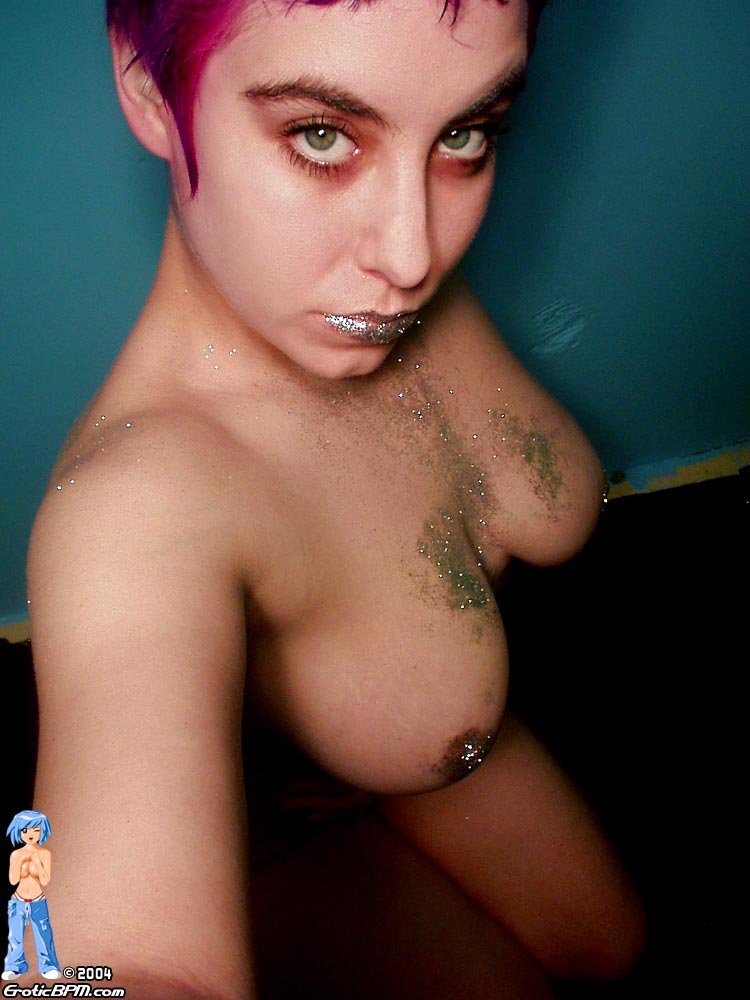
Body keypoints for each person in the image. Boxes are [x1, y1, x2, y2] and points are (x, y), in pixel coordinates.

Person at [27, 1, 647, 996]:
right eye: (321, 136)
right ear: (147, 87)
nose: (412, 256)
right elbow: (110, 966)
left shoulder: (363, 295)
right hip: (339, 802)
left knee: (614, 946)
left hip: (439, 753)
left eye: (467, 132)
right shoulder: (134, 515)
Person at [3, 811, 61, 982]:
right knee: (15, 936)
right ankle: (15, 966)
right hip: (18, 900)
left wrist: (37, 863)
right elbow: (12, 880)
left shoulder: (45, 854)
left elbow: (45, 880)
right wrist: (20, 862)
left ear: (42, 831)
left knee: (43, 934)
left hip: (37, 900)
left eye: (36, 830)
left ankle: (49, 966)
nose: (30, 834)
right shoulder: (16, 854)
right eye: (25, 830)